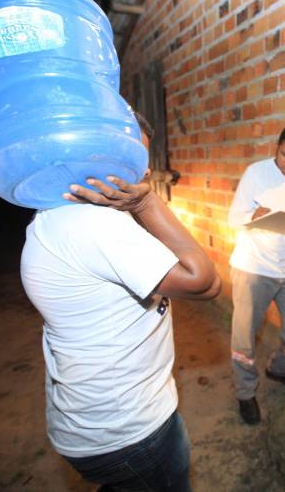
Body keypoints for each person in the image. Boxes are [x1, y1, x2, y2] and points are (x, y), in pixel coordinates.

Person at [20, 113, 221, 492]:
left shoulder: (52, 216)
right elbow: (206, 283)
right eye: (130, 157)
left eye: (142, 159)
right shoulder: (95, 225)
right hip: (130, 431)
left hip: (87, 424)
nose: (142, 173)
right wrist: (148, 205)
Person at [227, 123, 285, 425]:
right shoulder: (256, 173)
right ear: (276, 148)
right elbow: (234, 217)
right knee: (244, 335)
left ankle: (278, 369)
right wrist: (251, 215)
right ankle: (245, 392)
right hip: (253, 265)